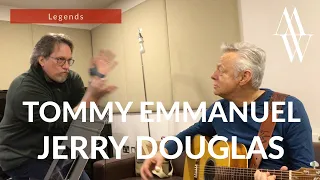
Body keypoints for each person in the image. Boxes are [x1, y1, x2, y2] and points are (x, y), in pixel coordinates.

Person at [140, 42, 315, 180]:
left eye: (221, 70)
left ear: (244, 77)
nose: (212, 75)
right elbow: (192, 133)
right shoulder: (219, 109)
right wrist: (162, 153)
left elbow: (305, 172)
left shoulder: (288, 108)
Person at [0, 33, 118, 180]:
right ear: (42, 59)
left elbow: (84, 115)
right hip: (22, 156)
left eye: (69, 60)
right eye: (61, 60)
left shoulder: (72, 79)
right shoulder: (25, 88)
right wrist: (90, 97)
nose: (67, 66)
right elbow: (56, 124)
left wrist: (96, 86)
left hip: (54, 152)